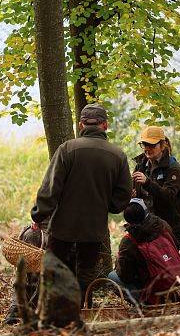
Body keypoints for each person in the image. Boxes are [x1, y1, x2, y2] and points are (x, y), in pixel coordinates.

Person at [30, 103, 132, 305]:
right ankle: (84, 311)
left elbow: (51, 188)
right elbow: (123, 195)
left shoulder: (67, 149)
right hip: (93, 226)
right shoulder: (117, 155)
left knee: (55, 269)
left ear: (81, 124)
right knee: (86, 273)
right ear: (105, 125)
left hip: (62, 226)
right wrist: (108, 206)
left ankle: (53, 312)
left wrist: (38, 215)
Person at [108, 198, 180, 305]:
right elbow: (175, 247)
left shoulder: (129, 241)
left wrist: (118, 263)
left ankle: (142, 305)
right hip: (179, 286)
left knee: (112, 277)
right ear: (146, 212)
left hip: (154, 296)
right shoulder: (163, 225)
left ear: (128, 219)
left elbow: (125, 276)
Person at [132, 126, 180, 248]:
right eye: (145, 144)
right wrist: (132, 194)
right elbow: (137, 193)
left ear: (162, 145)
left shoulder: (174, 168)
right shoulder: (141, 166)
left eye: (152, 145)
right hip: (146, 224)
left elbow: (169, 196)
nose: (147, 148)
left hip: (169, 226)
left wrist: (147, 182)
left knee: (166, 264)